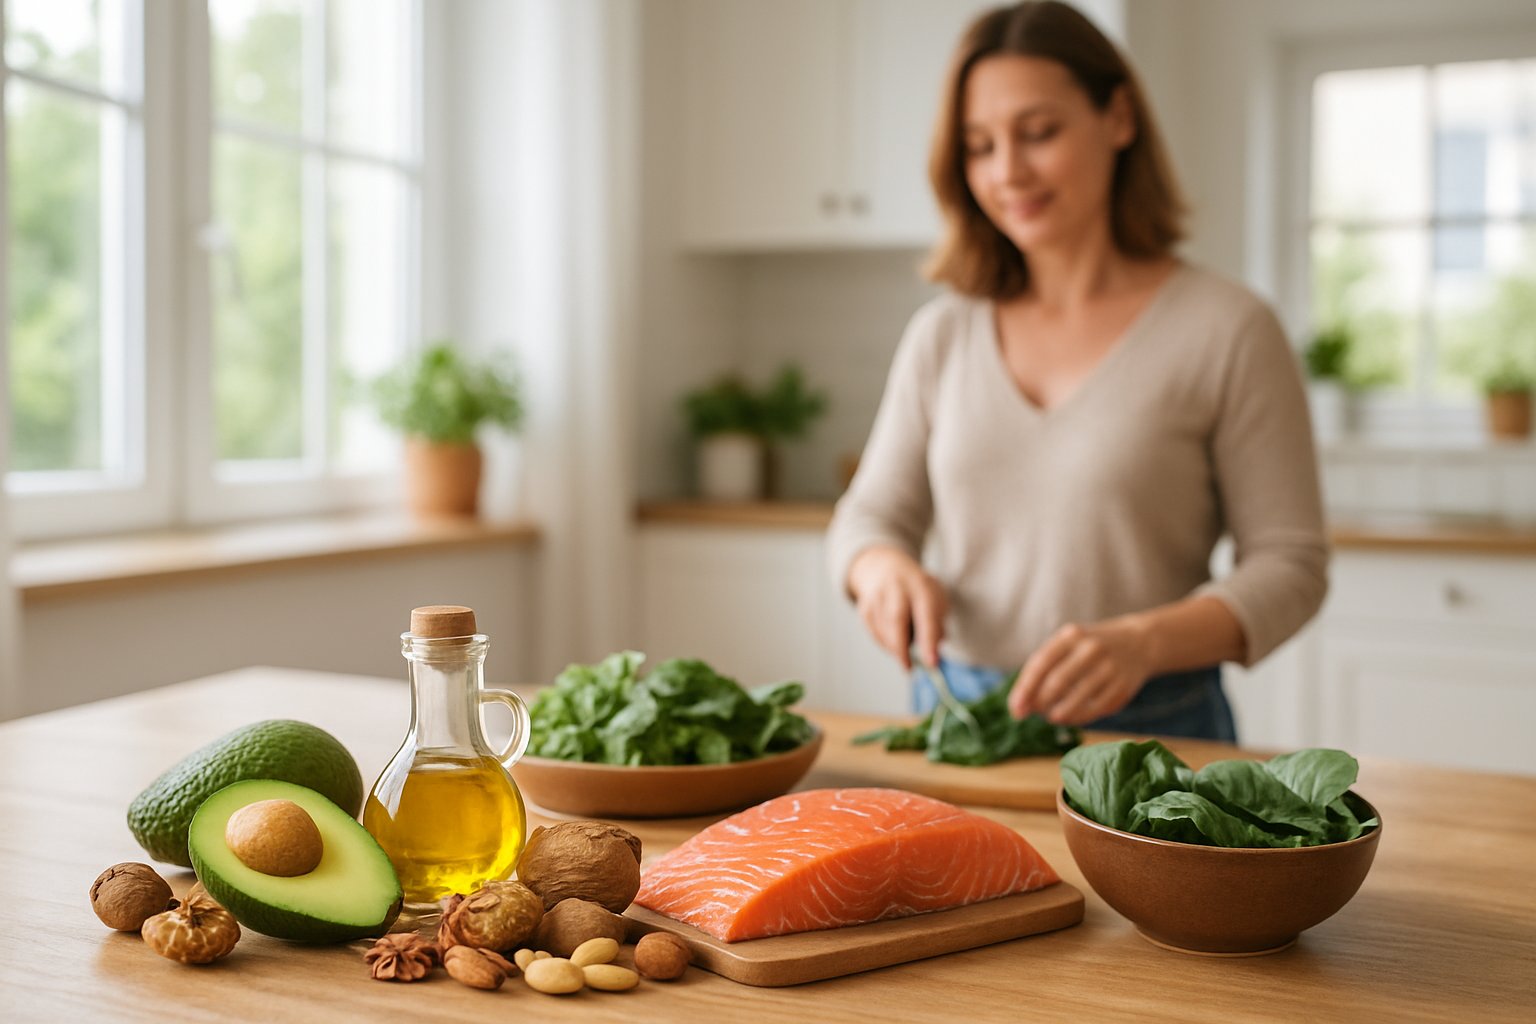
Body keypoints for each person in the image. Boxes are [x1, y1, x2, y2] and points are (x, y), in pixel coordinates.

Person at [826, 0, 1328, 742]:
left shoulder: (1228, 328)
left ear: (1119, 117)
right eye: (980, 145)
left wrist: (1144, 642)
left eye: (1038, 133)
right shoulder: (943, 333)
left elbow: (1291, 567)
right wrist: (879, 571)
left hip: (1158, 728)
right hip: (955, 722)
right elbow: (868, 518)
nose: (1008, 171)